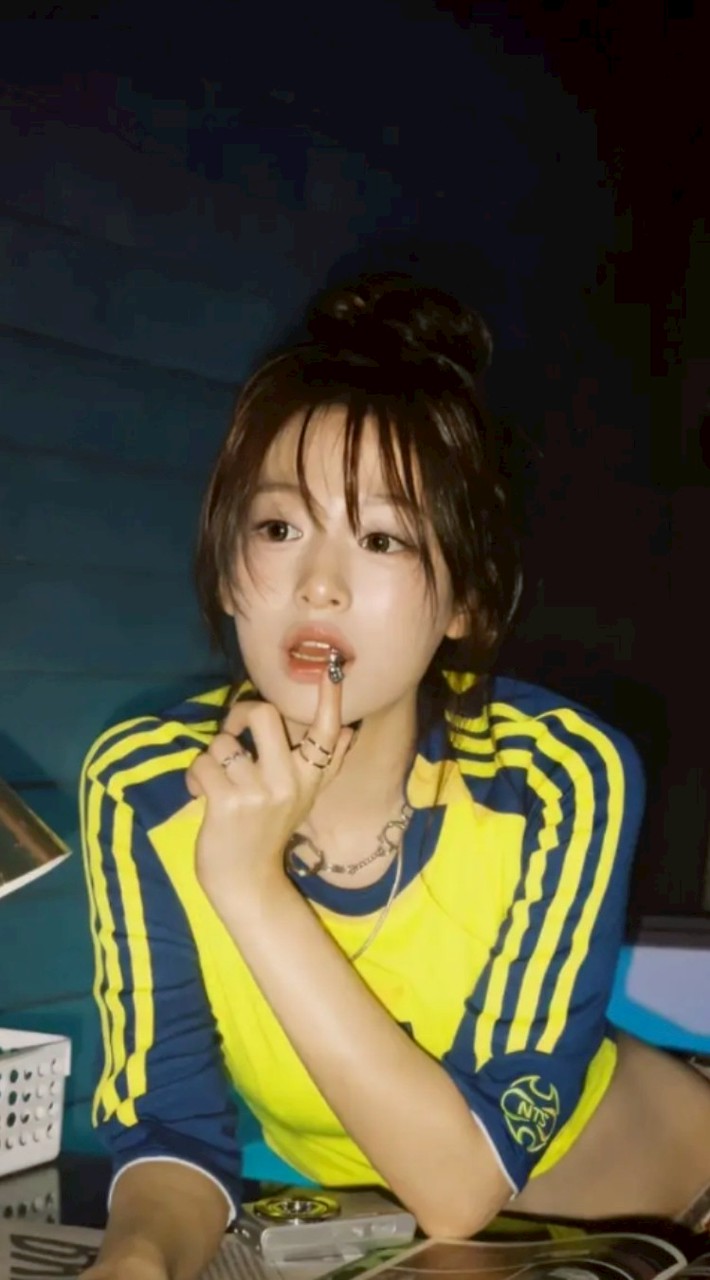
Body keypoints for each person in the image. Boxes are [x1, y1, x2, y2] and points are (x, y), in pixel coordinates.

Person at [79, 275, 710, 1280]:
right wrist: (135, 1264)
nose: (318, 584)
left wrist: (248, 882)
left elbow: (460, 1186)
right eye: (278, 529)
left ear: (465, 601)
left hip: (674, 1220)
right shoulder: (143, 785)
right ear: (230, 567)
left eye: (381, 538)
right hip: (421, 1258)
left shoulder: (553, 775)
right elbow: (171, 1131)